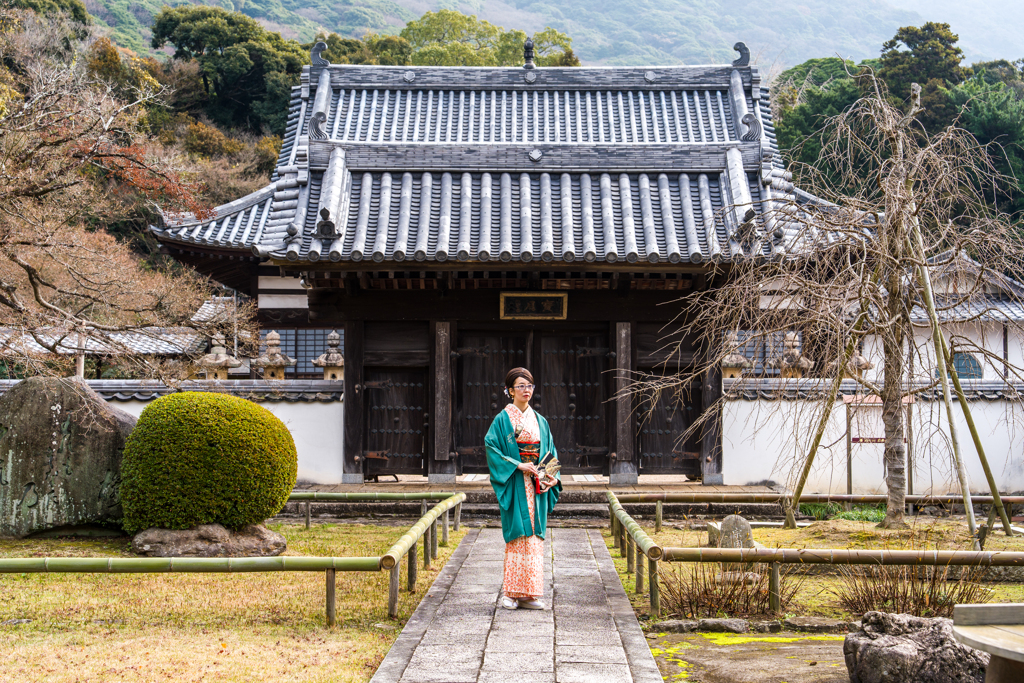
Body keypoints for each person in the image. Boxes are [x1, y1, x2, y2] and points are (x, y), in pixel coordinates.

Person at [485, 367, 562, 610]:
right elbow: (491, 448)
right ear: (510, 391)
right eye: (520, 386)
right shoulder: (502, 420)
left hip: (536, 483)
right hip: (517, 481)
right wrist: (518, 464)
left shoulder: (540, 421)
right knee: (517, 534)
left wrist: (552, 477)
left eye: (529, 386)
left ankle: (531, 593)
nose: (526, 390)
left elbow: (550, 451)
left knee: (535, 537)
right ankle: (510, 593)